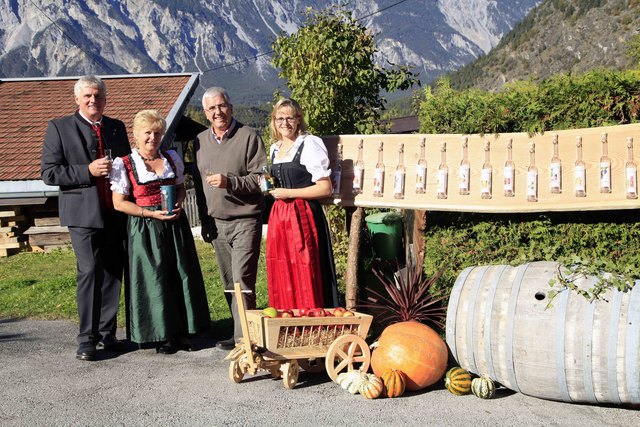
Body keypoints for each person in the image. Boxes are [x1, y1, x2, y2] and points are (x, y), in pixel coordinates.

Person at [41, 75, 130, 361]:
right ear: (77, 99)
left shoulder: (117, 127)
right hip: (83, 215)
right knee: (90, 270)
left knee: (114, 271)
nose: (94, 101)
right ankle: (86, 339)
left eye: (99, 96)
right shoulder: (59, 127)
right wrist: (87, 171)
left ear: (106, 99)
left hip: (115, 212)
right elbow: (49, 173)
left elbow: (128, 165)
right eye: (88, 96)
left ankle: (107, 333)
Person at [109, 109, 210, 354]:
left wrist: (179, 202)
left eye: (157, 133)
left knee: (180, 273)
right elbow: (119, 202)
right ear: (136, 135)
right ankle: (161, 334)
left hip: (174, 223)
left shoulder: (171, 158)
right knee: (155, 278)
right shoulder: (124, 164)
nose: (152, 138)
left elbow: (180, 187)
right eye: (147, 133)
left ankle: (184, 331)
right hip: (145, 227)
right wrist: (149, 213)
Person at [193, 87, 267, 351]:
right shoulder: (199, 141)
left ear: (231, 107)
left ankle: (245, 340)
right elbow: (199, 186)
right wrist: (204, 220)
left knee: (241, 280)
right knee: (228, 282)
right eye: (212, 108)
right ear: (205, 113)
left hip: (245, 220)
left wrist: (230, 182)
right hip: (217, 223)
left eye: (222, 106)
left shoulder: (249, 136)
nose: (218, 112)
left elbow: (261, 179)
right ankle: (242, 332)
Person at [265, 98, 339, 310]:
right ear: (274, 121)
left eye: (290, 117)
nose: (285, 123)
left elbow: (325, 188)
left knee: (306, 267)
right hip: (280, 217)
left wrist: (289, 193)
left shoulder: (309, 144)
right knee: (283, 268)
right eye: (280, 118)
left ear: (298, 119)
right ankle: (288, 319)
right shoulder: (274, 148)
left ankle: (312, 318)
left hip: (303, 216)